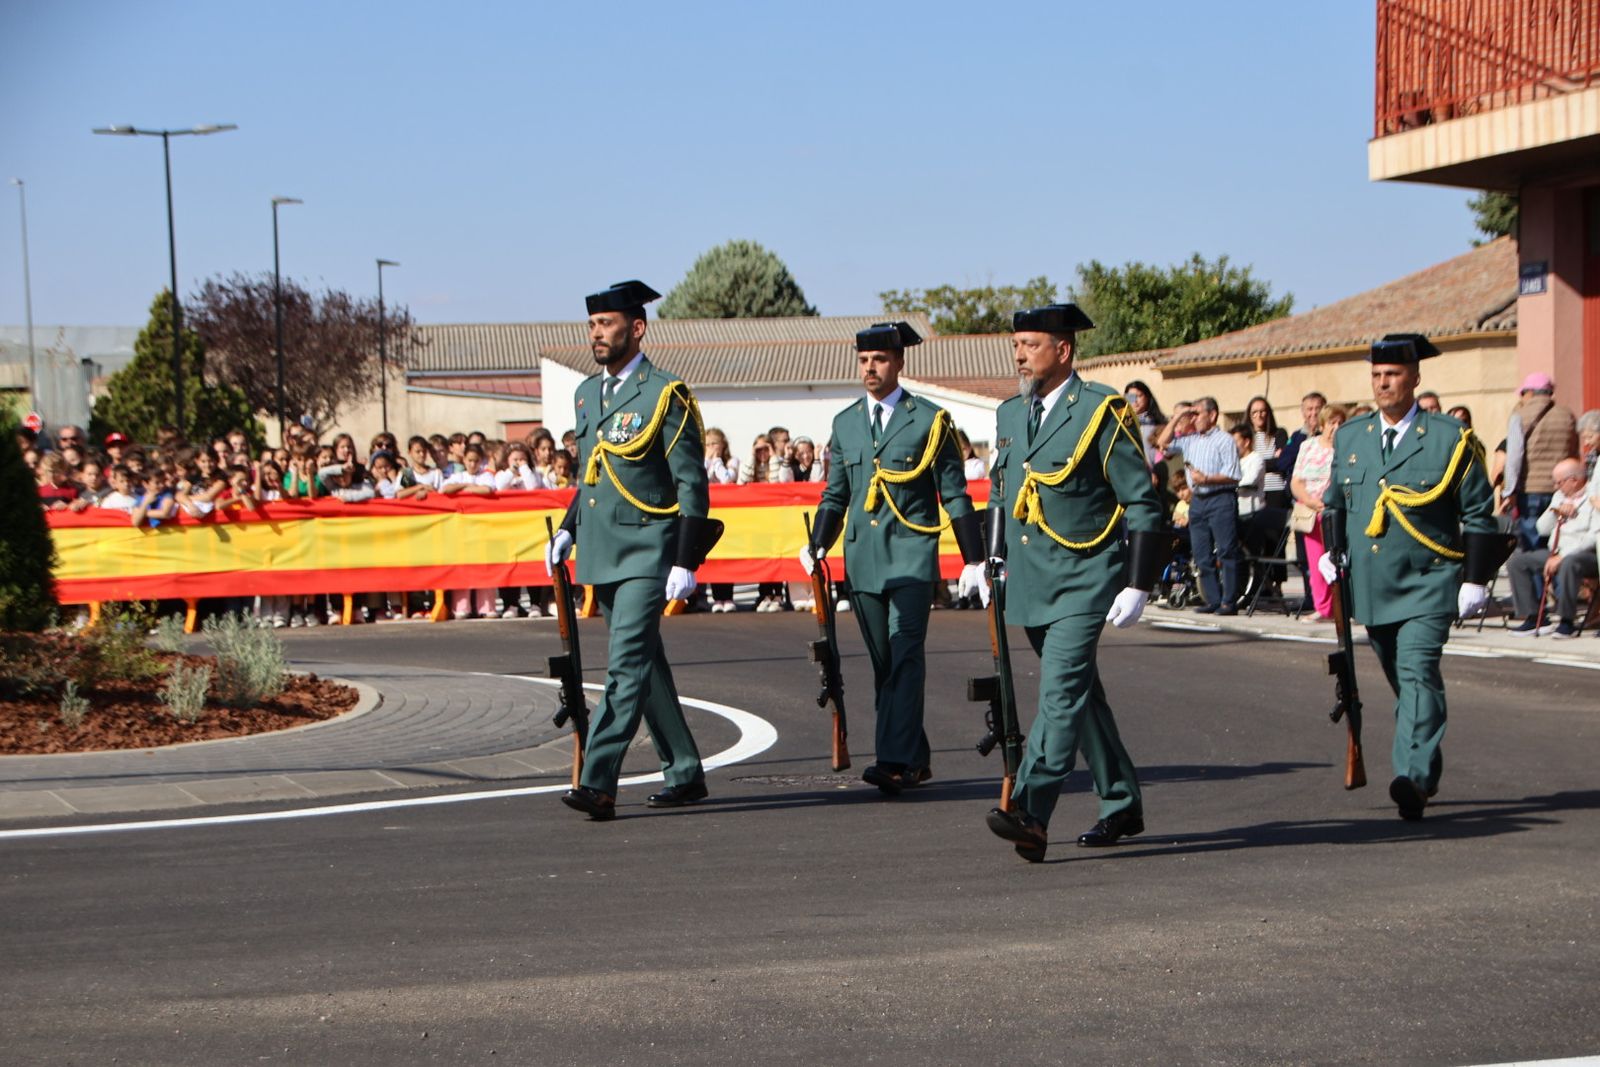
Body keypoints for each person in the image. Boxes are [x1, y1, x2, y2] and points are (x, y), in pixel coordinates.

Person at [978, 304, 1165, 862]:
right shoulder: (1011, 413)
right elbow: (1000, 492)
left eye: (1030, 345)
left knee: (1059, 694)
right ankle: (1121, 800)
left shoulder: (1100, 410)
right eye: (1016, 345)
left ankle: (1030, 812)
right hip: (1032, 580)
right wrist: (990, 558)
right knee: (1081, 697)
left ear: (1062, 350)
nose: (1019, 355)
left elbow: (1141, 500)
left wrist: (1139, 582)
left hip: (1086, 577)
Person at [546, 280, 717, 821]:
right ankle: (684, 769)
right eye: (592, 325)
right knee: (645, 665)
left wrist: (685, 558)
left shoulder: (665, 393)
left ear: (636, 328)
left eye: (607, 324)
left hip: (649, 549)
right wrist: (569, 529)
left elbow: (691, 484)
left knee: (623, 666)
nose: (596, 333)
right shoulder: (585, 394)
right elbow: (591, 475)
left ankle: (598, 782)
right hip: (603, 549)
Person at [1318, 333, 1498, 821]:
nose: (1383, 383)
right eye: (1376, 375)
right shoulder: (1352, 436)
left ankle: (1412, 777)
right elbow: (1335, 503)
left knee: (1418, 674)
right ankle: (1426, 764)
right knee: (1406, 684)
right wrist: (1331, 552)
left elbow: (1479, 514)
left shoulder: (1449, 438)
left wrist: (1475, 579)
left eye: (1393, 374)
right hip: (1371, 587)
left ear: (1415, 378)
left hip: (1428, 581)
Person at [801, 321, 983, 795]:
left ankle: (893, 761)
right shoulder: (845, 423)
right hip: (862, 559)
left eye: (879, 360)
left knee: (904, 654)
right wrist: (818, 542)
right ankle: (915, 758)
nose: (870, 368)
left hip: (910, 557)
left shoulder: (930, 420)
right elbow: (836, 494)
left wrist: (974, 559)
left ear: (899, 362)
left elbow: (954, 494)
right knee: (884, 664)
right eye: (864, 360)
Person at [1156, 397, 1242, 614]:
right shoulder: (1190, 440)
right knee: (1201, 552)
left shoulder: (1224, 440)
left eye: (1198, 414)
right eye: (1191, 415)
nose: (1193, 419)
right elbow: (1162, 443)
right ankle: (1212, 599)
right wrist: (1177, 417)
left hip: (1220, 497)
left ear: (1212, 415)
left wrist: (1207, 479)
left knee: (1226, 551)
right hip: (1198, 500)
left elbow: (1233, 474)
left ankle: (1229, 601)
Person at [1504, 458, 1597, 638]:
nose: (1555, 486)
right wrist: (1556, 511)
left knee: (1569, 563)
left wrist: (1562, 556)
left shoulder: (1593, 496)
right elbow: (1542, 528)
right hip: (1556, 551)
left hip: (1586, 555)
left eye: (1559, 482)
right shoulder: (1560, 496)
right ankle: (1534, 617)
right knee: (1517, 562)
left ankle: (1566, 621)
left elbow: (1593, 537)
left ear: (1574, 480)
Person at [1502, 372, 1579, 550]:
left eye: (1522, 393)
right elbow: (1574, 452)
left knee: (1533, 544)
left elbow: (1514, 457)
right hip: (1561, 489)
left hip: (1531, 490)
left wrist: (1509, 491)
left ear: (1529, 392)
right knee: (1558, 541)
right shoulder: (1567, 415)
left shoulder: (1519, 416)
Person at [1289, 404, 1349, 620]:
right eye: (1332, 422)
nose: (1336, 427)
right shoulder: (1308, 446)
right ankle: (1323, 608)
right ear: (1323, 425)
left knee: (1340, 561)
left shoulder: (1347, 448)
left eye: (1340, 423)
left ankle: (1344, 606)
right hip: (1312, 511)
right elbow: (1296, 481)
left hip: (1338, 512)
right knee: (1316, 563)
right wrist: (1310, 501)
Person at [1123, 379, 1168, 466]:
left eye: (1139, 396)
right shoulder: (1120, 424)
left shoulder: (1159, 424)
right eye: (1131, 397)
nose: (1135, 401)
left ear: (1147, 397)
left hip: (1155, 470)